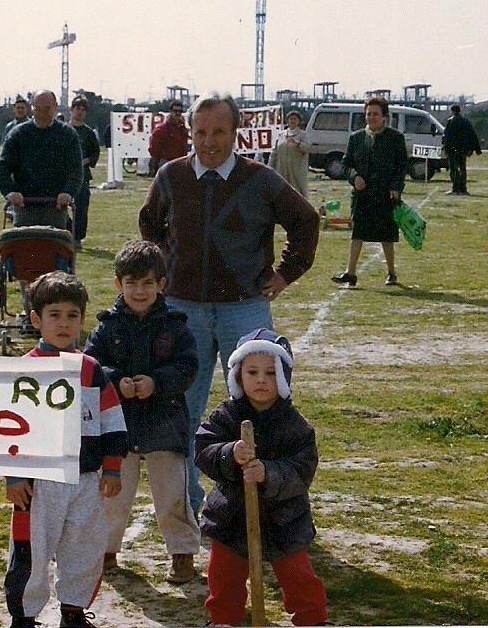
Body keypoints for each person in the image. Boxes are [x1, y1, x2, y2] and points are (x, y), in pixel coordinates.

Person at [139, 92, 320, 516]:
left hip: (244, 309)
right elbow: (150, 223)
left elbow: (306, 220)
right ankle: (186, 509)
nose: (209, 141)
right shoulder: (170, 175)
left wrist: (286, 272)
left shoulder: (260, 179)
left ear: (235, 132)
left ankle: (261, 508)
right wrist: (165, 271)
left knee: (260, 404)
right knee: (181, 411)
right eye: (200, 131)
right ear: (190, 132)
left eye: (218, 131)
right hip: (182, 311)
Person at [4, 271, 128, 628]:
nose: (63, 323)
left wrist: (112, 467)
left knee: (84, 547)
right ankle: (24, 617)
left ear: (82, 320)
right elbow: (6, 429)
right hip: (38, 483)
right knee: (31, 550)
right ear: (35, 320)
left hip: (84, 479)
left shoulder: (90, 370)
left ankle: (73, 612)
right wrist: (13, 476)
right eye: (54, 315)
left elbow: (111, 421)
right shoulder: (23, 371)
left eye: (72, 315)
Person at [83, 240, 201, 584]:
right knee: (113, 492)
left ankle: (182, 551)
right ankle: (105, 549)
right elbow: (91, 366)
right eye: (131, 283)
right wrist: (115, 381)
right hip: (118, 425)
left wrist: (156, 382)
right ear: (117, 284)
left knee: (172, 492)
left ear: (161, 284)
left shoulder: (176, 325)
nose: (139, 291)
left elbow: (188, 367)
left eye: (148, 283)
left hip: (165, 421)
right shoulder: (106, 327)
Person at [195, 329, 328, 627]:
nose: (261, 380)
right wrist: (229, 453)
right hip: (231, 515)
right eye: (252, 372)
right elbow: (203, 449)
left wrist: (268, 473)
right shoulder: (226, 416)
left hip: (284, 518)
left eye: (270, 373)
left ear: (283, 377)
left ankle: (312, 619)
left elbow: (302, 470)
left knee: (298, 577)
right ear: (238, 376)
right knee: (223, 576)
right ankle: (223, 619)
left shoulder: (294, 426)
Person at [0, 89, 83, 333]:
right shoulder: (18, 134)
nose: (42, 114)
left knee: (55, 266)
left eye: (47, 109)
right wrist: (10, 192)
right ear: (31, 109)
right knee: (27, 266)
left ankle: (53, 315)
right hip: (25, 209)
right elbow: (3, 167)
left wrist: (68, 192)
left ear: (55, 109)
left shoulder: (67, 135)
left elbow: (76, 170)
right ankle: (30, 315)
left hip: (55, 209)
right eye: (38, 109)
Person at [331, 96, 408, 286]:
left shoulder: (395, 138)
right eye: (368, 114)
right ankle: (350, 273)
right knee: (357, 232)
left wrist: (396, 187)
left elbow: (401, 167)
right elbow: (346, 165)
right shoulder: (356, 138)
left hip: (385, 195)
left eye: (375, 114)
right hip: (361, 196)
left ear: (384, 117)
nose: (371, 117)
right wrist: (354, 177)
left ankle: (391, 273)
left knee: (386, 235)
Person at [68, 95, 101, 249]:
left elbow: (95, 153)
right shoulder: (63, 130)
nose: (80, 112)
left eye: (83, 109)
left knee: (81, 208)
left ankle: (77, 237)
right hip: (64, 175)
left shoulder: (88, 133)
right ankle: (67, 231)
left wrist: (85, 161)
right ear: (71, 110)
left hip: (82, 175)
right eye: (77, 108)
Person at [267, 110, 310, 197]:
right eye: (291, 119)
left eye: (295, 119)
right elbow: (274, 153)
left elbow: (308, 148)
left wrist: (297, 143)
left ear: (299, 121)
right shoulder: (281, 135)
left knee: (297, 192)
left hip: (296, 171)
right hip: (281, 169)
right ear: (287, 121)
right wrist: (269, 167)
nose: (292, 121)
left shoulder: (303, 135)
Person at [441, 104, 482, 196]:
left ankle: (455, 189)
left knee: (454, 169)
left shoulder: (451, 121)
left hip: (453, 150)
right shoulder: (465, 121)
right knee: (462, 169)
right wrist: (474, 149)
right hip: (463, 150)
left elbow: (447, 137)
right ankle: (463, 189)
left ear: (452, 111)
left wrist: (445, 148)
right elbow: (472, 135)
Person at [147, 101, 189, 177]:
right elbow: (153, 147)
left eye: (180, 111)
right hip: (165, 163)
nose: (178, 113)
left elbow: (184, 146)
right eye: (175, 111)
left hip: (180, 163)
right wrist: (158, 160)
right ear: (170, 111)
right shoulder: (161, 129)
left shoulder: (183, 129)